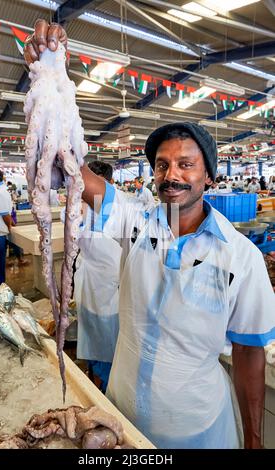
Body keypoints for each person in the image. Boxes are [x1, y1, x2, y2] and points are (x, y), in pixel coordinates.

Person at [25, 22, 275, 449]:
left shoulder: (241, 258)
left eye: (186, 164)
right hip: (122, 418)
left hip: (195, 429)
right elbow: (70, 170)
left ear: (209, 177)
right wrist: (50, 77)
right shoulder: (134, 221)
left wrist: (254, 438)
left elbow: (249, 354)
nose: (171, 174)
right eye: (161, 165)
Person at [73, 160, 122, 393]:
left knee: (107, 347)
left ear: (108, 184)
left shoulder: (120, 214)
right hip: (88, 289)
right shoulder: (80, 207)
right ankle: (96, 380)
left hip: (108, 294)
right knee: (92, 342)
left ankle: (105, 391)